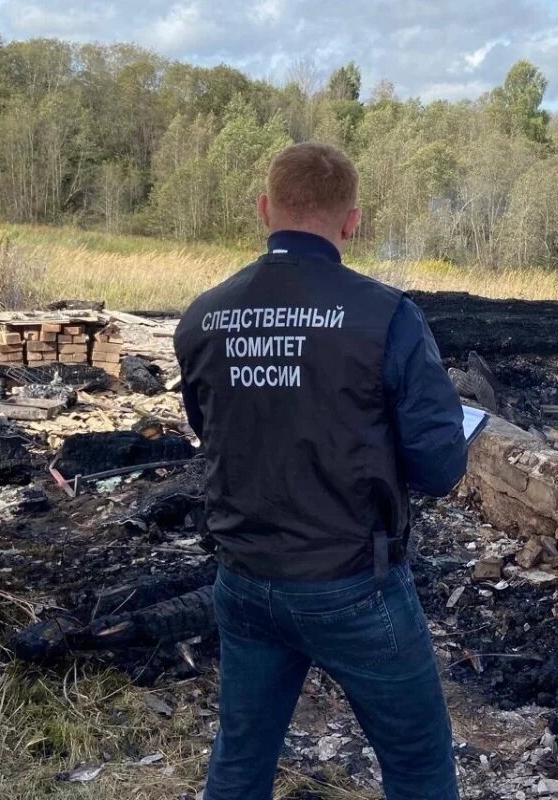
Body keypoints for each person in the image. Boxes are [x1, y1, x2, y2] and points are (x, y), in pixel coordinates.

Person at [173, 142, 468, 800]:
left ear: (264, 210)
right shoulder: (387, 317)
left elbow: (210, 429)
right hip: (352, 587)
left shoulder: (203, 316)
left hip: (244, 579)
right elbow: (439, 465)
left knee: (241, 761)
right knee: (419, 764)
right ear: (350, 221)